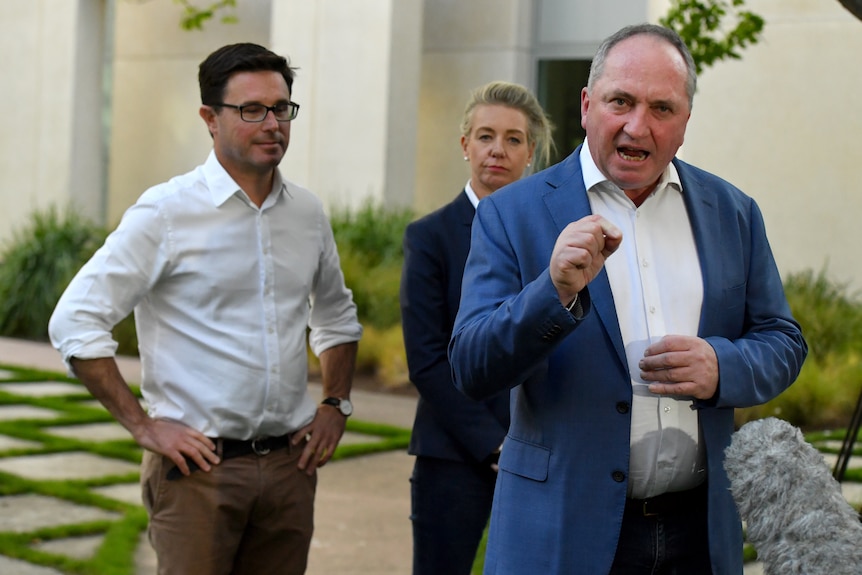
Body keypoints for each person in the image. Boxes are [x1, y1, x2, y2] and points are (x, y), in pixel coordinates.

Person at [448, 23, 807, 575]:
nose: (637, 125)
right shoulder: (511, 214)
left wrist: (721, 365)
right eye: (621, 101)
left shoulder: (733, 212)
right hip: (562, 533)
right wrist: (555, 292)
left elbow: (783, 341)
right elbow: (471, 366)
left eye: (662, 108)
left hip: (698, 537)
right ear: (588, 105)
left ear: (685, 121)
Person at [48, 42, 362, 575]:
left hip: (290, 471)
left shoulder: (307, 213)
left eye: (281, 108)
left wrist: (336, 403)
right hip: (199, 474)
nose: (272, 123)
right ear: (209, 118)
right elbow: (75, 322)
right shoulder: (166, 212)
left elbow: (335, 317)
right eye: (251, 110)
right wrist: (143, 427)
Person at [400, 81, 553, 575]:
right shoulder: (429, 238)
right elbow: (426, 358)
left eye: (513, 139)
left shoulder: (560, 238)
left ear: (530, 152)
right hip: (453, 454)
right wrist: (494, 441)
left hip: (545, 453)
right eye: (486, 136)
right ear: (465, 144)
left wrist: (526, 441)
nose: (498, 150)